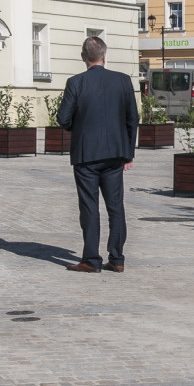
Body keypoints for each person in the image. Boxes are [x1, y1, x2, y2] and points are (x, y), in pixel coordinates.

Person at [57, 37, 139, 273]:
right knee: (116, 207)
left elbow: (63, 119)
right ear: (105, 55)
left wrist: (79, 128)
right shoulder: (123, 81)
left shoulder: (76, 82)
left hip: (86, 155)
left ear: (84, 57)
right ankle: (117, 257)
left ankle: (92, 259)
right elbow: (132, 118)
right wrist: (128, 153)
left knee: (89, 207)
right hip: (115, 153)